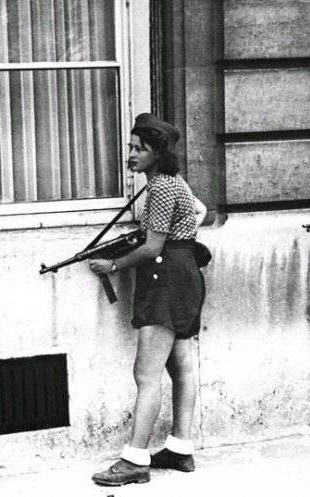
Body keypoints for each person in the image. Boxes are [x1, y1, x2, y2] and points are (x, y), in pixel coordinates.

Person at [88, 113, 207, 486]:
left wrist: (113, 265)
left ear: (158, 152)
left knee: (146, 374)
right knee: (181, 367)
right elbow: (199, 211)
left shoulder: (159, 188)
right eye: (130, 147)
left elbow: (152, 246)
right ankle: (181, 448)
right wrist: (182, 234)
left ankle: (135, 459)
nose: (131, 154)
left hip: (165, 278)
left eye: (140, 149)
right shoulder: (175, 182)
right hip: (185, 273)